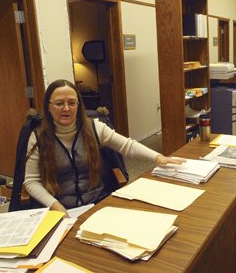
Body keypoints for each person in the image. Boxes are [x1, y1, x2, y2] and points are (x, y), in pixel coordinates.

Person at [24, 79, 184, 216]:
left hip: (97, 203)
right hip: (60, 208)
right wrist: (55, 206)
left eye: (72, 103)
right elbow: (31, 181)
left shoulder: (94, 127)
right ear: (49, 106)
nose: (66, 108)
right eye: (59, 103)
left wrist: (158, 158)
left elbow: (127, 146)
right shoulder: (37, 137)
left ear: (78, 105)